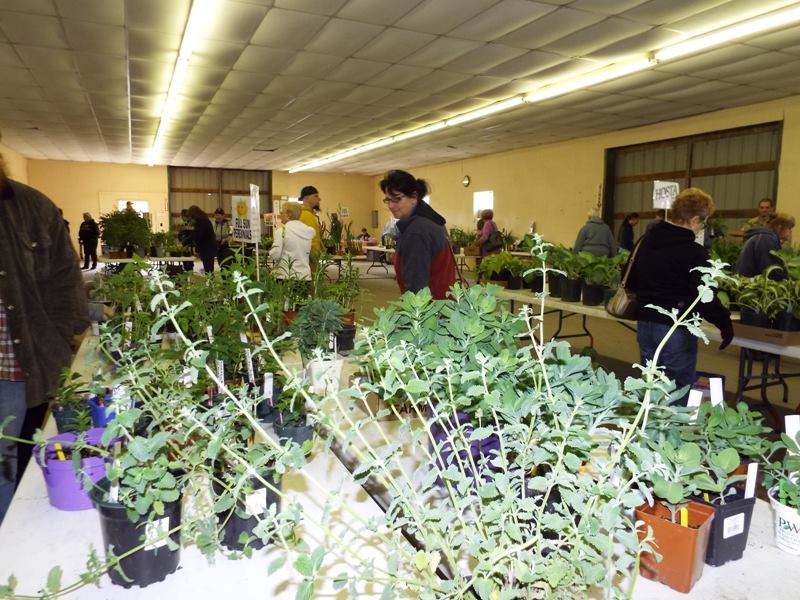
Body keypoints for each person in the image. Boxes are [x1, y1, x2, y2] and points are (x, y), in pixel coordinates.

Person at [0, 152, 89, 524]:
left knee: (6, 463)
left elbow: (66, 284)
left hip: (14, 370)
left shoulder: (32, 208)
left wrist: (56, 337)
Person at [626, 187, 733, 406]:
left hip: (646, 324)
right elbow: (704, 297)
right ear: (694, 220)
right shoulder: (694, 252)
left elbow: (630, 279)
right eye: (703, 222)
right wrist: (725, 323)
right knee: (676, 390)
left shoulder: (646, 241)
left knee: (650, 385)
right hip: (676, 328)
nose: (702, 227)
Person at [380, 169, 456, 299]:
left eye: (396, 199)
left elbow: (416, 287)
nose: (391, 206)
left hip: (430, 307)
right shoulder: (431, 220)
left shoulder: (416, 232)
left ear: (414, 198)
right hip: (443, 304)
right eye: (388, 200)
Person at [735, 213, 795, 278]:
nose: (790, 232)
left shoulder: (764, 237)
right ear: (779, 227)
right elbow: (770, 270)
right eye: (789, 228)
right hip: (748, 281)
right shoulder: (767, 239)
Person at [268, 202, 315, 280]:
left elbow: (275, 254)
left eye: (281, 212)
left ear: (289, 215)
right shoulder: (307, 232)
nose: (280, 215)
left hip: (286, 276)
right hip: (304, 277)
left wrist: (269, 253)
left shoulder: (282, 231)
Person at [186, 205, 217, 273]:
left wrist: (185, 242)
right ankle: (210, 279)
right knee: (209, 270)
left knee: (208, 270)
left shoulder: (201, 221)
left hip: (207, 248)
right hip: (209, 247)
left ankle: (210, 280)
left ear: (193, 215)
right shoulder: (204, 220)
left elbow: (197, 235)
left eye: (191, 217)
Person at [298, 186, 322, 264]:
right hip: (309, 259)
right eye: (315, 196)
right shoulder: (306, 215)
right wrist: (315, 259)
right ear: (306, 198)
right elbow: (312, 241)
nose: (319, 199)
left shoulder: (307, 214)